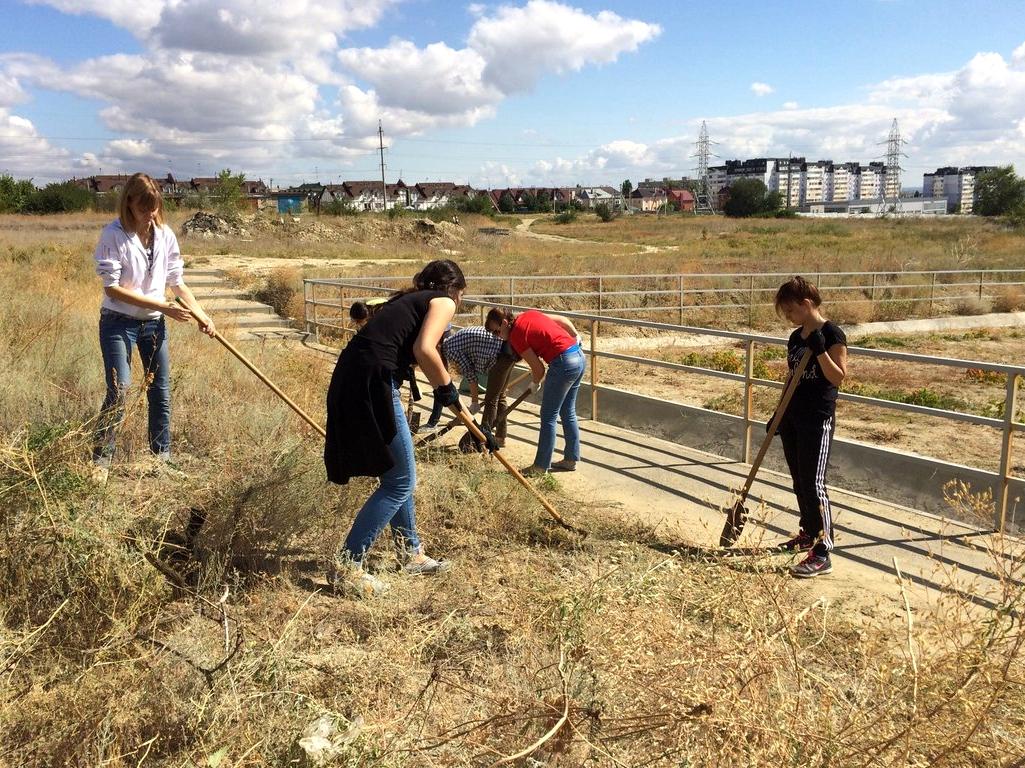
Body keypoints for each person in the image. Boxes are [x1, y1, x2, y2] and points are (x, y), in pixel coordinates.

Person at [325, 259, 494, 597]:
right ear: (454, 289)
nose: (459, 303)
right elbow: (424, 349)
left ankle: (410, 553)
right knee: (401, 480)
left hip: (355, 373)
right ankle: (348, 564)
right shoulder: (442, 300)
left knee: (396, 476)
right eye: (462, 294)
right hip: (372, 379)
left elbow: (416, 352)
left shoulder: (407, 301)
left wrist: (469, 419)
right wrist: (448, 393)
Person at [92, 173, 215, 481]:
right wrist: (162, 306)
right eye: (144, 208)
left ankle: (161, 458)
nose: (150, 214)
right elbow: (113, 289)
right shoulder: (114, 234)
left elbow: (177, 282)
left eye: (155, 207)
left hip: (152, 326)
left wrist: (202, 314)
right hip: (118, 322)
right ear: (129, 203)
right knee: (120, 390)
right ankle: (100, 463)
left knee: (160, 392)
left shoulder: (165, 235)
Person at [772, 276, 848, 579]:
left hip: (817, 418)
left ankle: (823, 549)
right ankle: (807, 532)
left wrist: (820, 350)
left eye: (790, 311)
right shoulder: (794, 337)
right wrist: (778, 413)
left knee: (815, 483)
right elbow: (791, 377)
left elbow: (838, 377)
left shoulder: (832, 334)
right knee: (799, 480)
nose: (789, 318)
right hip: (793, 416)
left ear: (806, 304)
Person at [485, 307, 584, 475]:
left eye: (497, 331)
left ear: (504, 323)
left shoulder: (517, 335)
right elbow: (561, 320)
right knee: (567, 411)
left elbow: (538, 369)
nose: (498, 337)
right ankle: (570, 459)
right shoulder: (528, 314)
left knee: (548, 416)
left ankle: (540, 466)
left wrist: (534, 383)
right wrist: (575, 336)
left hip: (563, 363)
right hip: (578, 357)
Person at [422, 326, 503, 431]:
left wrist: (474, 402)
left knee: (492, 400)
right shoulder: (454, 339)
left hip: (495, 354)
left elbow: (470, 374)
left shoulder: (451, 350)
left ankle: (484, 436)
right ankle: (500, 436)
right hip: (500, 347)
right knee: (501, 396)